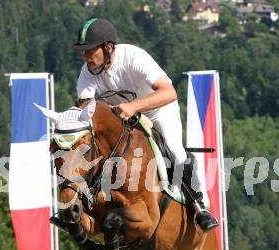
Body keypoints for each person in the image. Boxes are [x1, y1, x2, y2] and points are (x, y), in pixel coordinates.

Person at [74, 17, 218, 232]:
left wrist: (134, 106)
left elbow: (169, 92)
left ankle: (200, 206)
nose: (86, 56)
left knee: (175, 150)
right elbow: (86, 108)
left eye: (90, 50)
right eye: (84, 51)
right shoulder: (88, 71)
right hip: (123, 118)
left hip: (158, 108)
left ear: (108, 47)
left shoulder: (134, 57)